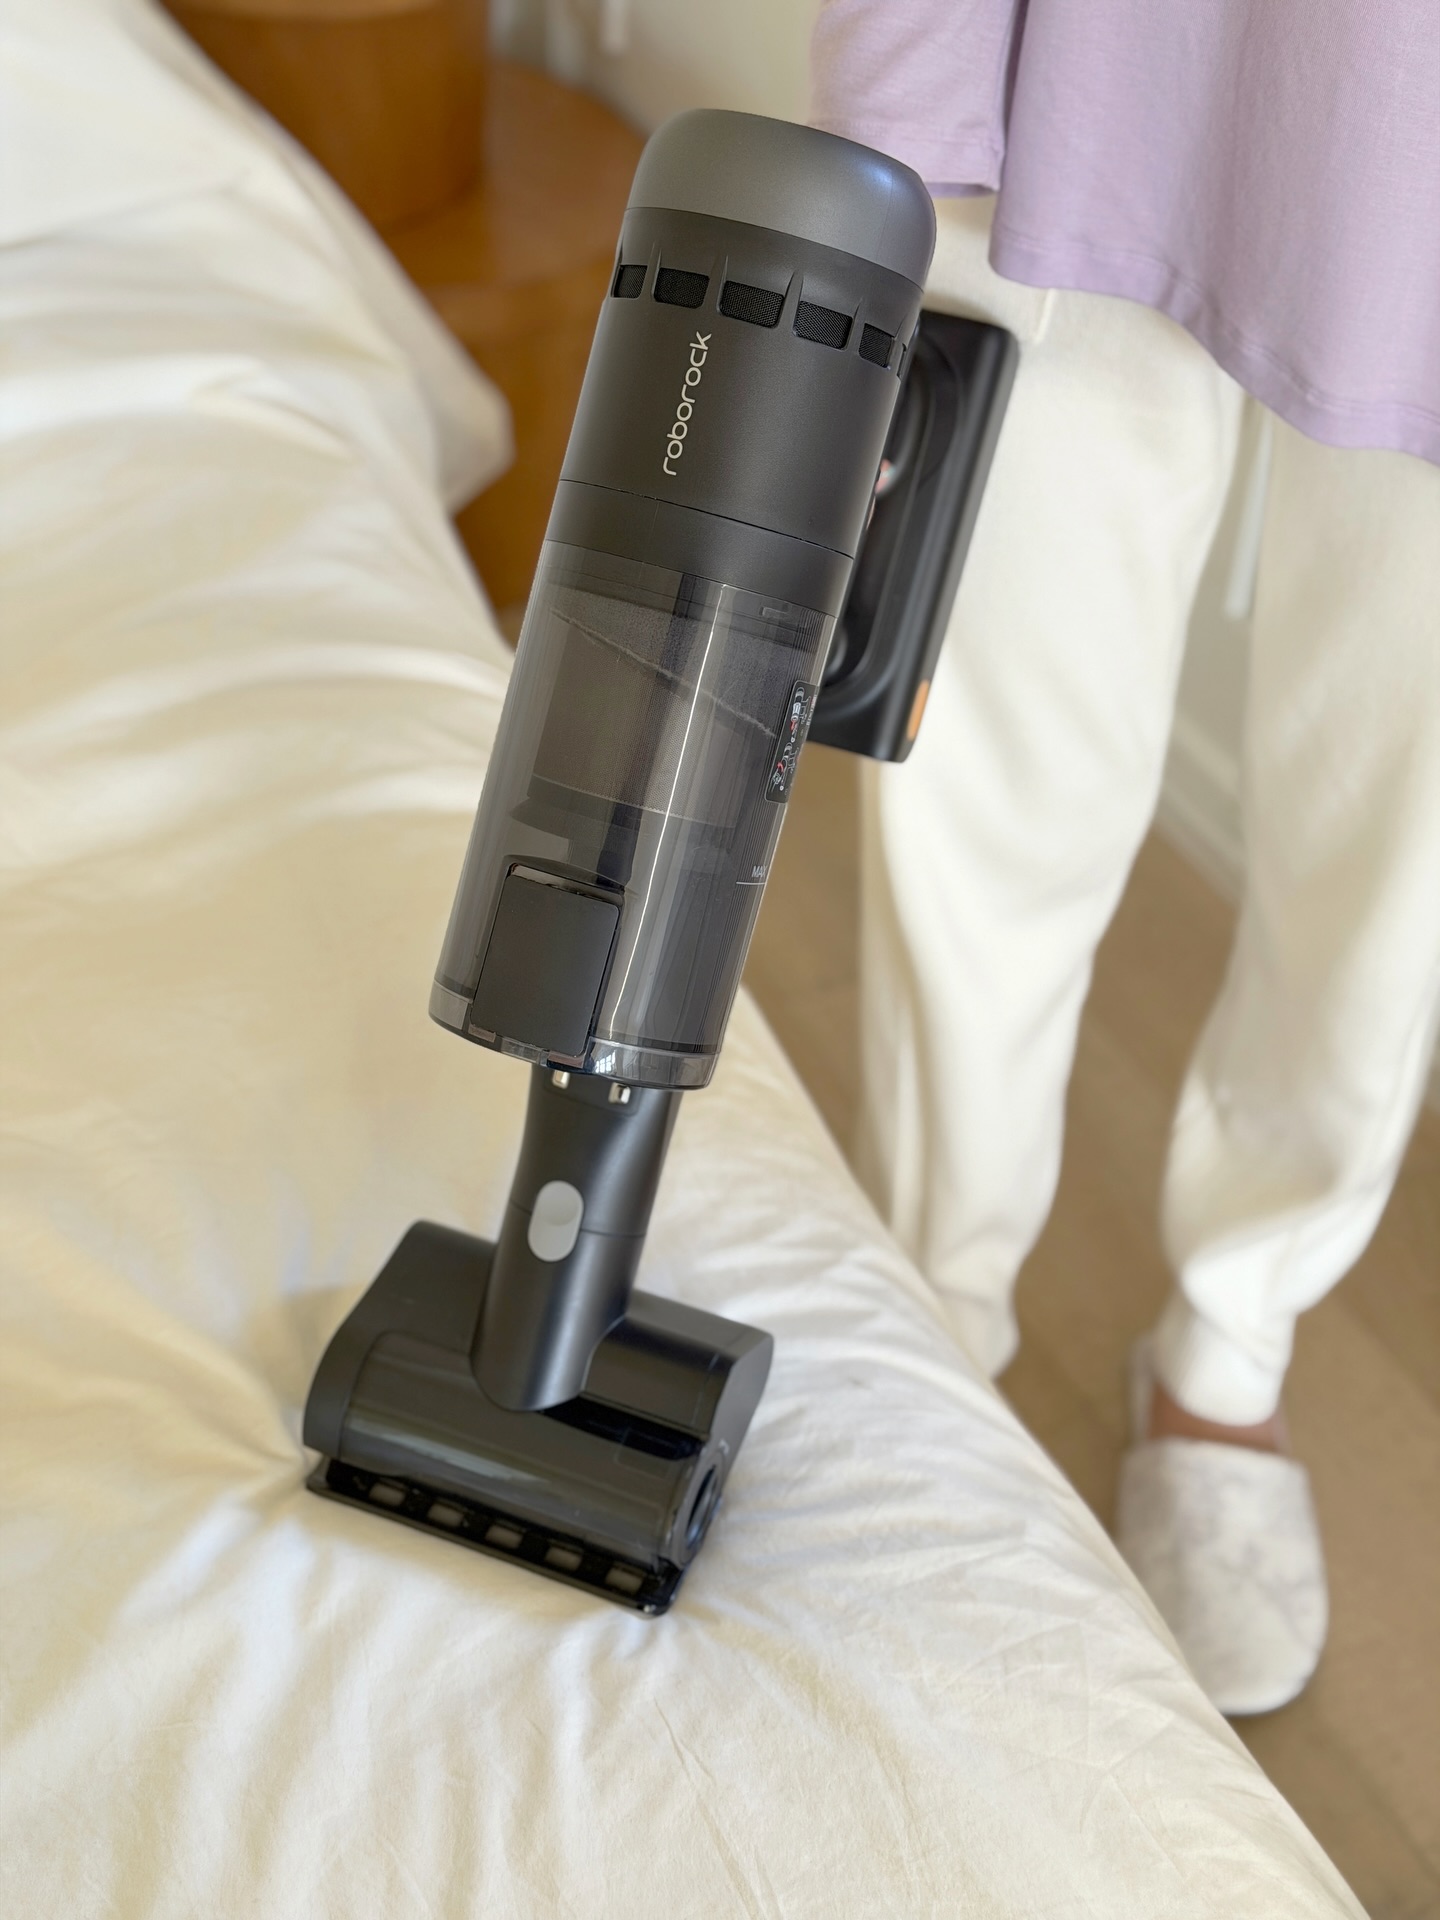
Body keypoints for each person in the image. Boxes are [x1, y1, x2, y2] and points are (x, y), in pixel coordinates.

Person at [812, 0, 1440, 1714]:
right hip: (1102, 64)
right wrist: (900, 90)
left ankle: (1230, 1346)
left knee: (1387, 854)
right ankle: (933, 1316)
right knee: (991, 748)